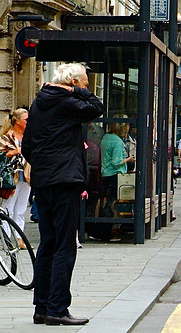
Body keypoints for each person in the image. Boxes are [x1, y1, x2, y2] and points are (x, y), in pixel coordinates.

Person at [22, 62, 105, 326]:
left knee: (47, 243)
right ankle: (58, 308)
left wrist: (44, 163)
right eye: (85, 82)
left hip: (43, 182)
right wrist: (77, 90)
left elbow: (26, 148)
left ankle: (41, 308)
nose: (87, 87)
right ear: (74, 82)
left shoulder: (37, 104)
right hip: (66, 181)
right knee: (65, 245)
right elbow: (97, 107)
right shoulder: (68, 102)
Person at [0, 108, 31, 249]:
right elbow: (2, 155)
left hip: (27, 176)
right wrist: (15, 151)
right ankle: (6, 239)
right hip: (12, 177)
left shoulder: (29, 137)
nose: (28, 122)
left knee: (21, 208)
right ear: (17, 121)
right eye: (26, 119)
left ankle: (19, 238)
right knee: (9, 207)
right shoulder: (7, 137)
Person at [101, 118, 135, 217]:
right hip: (115, 175)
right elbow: (117, 162)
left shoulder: (106, 137)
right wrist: (129, 159)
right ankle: (113, 221)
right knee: (114, 202)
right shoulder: (117, 141)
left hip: (106, 173)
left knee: (109, 199)